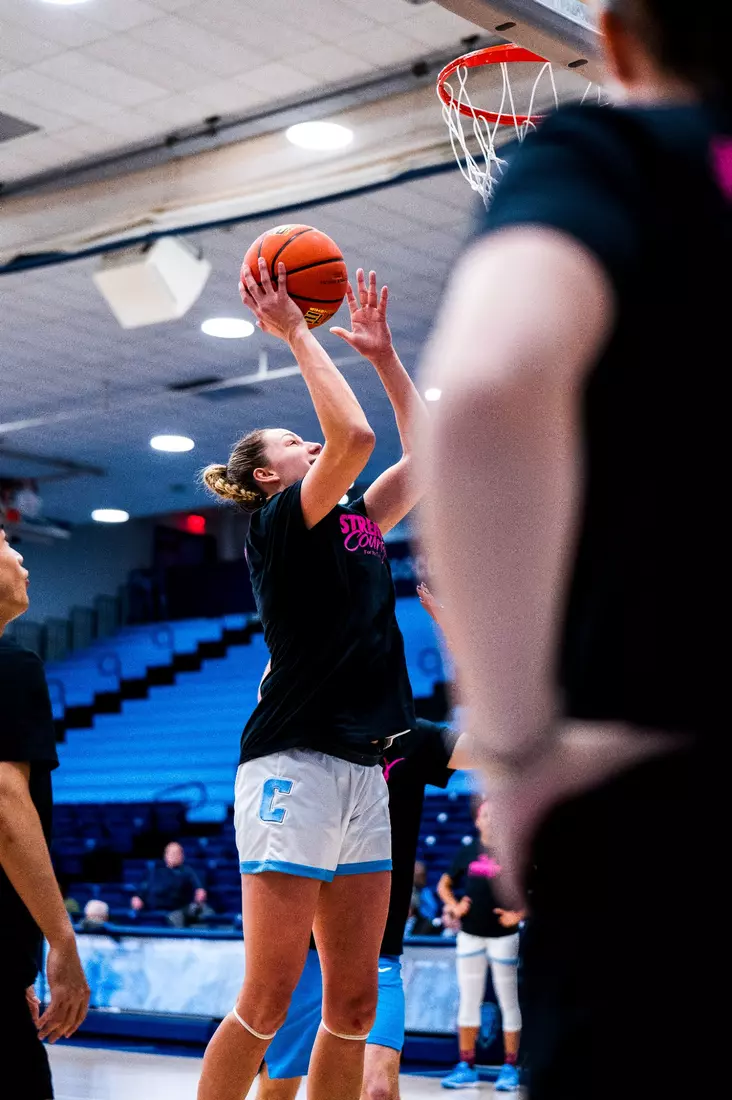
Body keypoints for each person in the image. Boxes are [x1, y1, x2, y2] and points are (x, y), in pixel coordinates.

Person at [419, 2, 731, 1097]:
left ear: (618, 39)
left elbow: (490, 394)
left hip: (666, 815)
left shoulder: (617, 155)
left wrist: (518, 754)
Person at [198, 261, 425, 1100]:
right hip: (293, 761)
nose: (313, 441)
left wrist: (385, 357)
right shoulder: (281, 522)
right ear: (268, 477)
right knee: (266, 998)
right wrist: (297, 330)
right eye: (294, 442)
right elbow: (359, 439)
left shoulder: (358, 518)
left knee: (356, 1002)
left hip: (365, 766)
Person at [255, 719, 473, 1100]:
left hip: (376, 948)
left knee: (379, 1090)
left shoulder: (413, 738)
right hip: (303, 949)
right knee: (277, 1087)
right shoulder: (311, 729)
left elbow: (487, 750)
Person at [0, 529, 90, 1099]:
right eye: (5, 542)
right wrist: (61, 942)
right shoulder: (11, 666)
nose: (20, 556)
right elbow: (7, 809)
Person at [437, 801, 524, 1091]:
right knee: (469, 1000)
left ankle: (510, 1067)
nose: (491, 819)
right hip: (471, 934)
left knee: (509, 1001)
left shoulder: (514, 850)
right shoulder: (467, 851)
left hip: (503, 937)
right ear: (478, 821)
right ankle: (466, 1066)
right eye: (486, 814)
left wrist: (518, 914)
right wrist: (454, 905)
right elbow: (443, 884)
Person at [131, 841, 211, 928]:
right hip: (154, 909)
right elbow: (143, 889)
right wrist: (137, 898)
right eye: (171, 853)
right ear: (165, 855)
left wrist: (200, 894)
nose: (174, 856)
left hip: (179, 910)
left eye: (177, 853)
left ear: (182, 856)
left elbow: (200, 890)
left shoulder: (188, 872)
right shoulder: (155, 872)